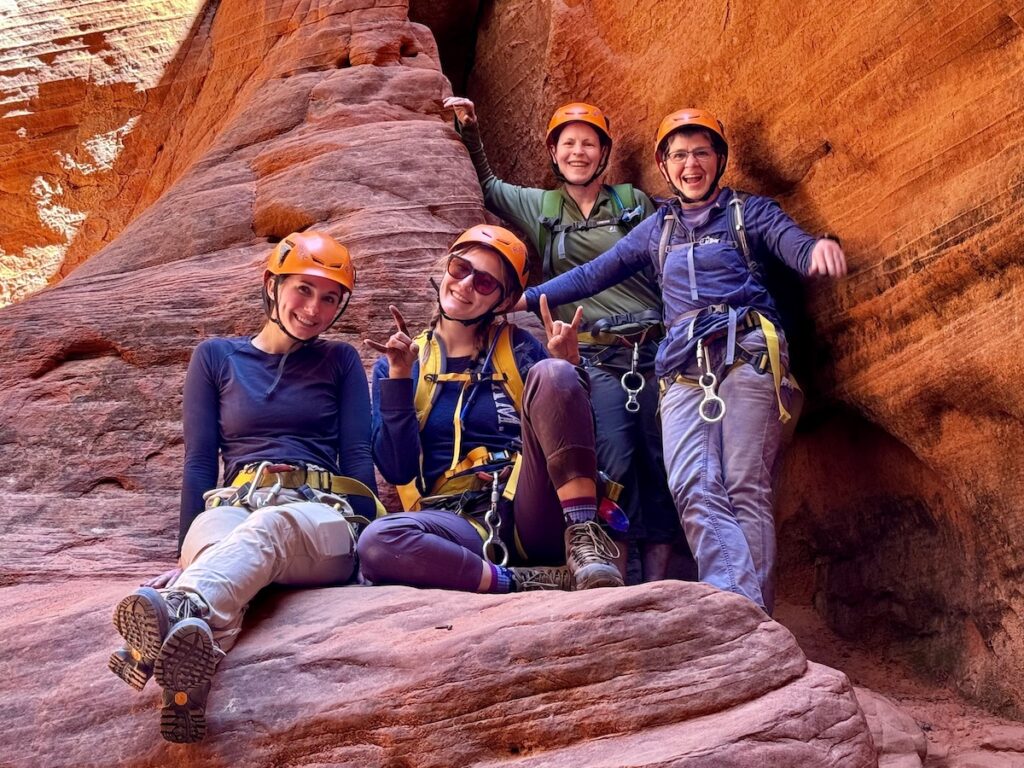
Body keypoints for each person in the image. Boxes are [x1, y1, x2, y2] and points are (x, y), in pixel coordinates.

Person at [513, 108, 848, 614]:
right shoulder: (657, 228)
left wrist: (819, 249)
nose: (691, 164)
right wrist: (522, 298)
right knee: (692, 486)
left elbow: (793, 245)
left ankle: (743, 614)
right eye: (679, 155)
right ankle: (737, 608)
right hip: (682, 369)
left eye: (701, 153)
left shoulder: (748, 213)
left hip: (746, 354)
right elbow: (592, 275)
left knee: (742, 486)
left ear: (719, 159)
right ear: (663, 166)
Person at [107, 231, 381, 743]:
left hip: (318, 515)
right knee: (218, 542)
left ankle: (175, 611)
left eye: (330, 298)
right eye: (303, 289)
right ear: (271, 285)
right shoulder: (215, 358)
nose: (314, 308)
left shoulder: (339, 360)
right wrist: (189, 552)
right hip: (233, 502)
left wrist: (369, 541)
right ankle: (187, 681)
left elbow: (359, 454)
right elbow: (197, 462)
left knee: (271, 525)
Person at [443, 96, 682, 582]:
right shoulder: (541, 206)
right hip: (593, 350)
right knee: (611, 462)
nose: (579, 152)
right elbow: (490, 187)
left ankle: (659, 583)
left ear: (604, 153)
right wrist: (468, 128)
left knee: (664, 462)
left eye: (589, 144)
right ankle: (615, 577)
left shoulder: (633, 203)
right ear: (553, 153)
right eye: (568, 143)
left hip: (655, 347)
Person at [356, 224, 624, 594]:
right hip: (457, 521)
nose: (465, 285)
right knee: (377, 541)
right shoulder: (401, 363)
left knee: (554, 372)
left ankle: (582, 538)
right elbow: (397, 468)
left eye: (484, 283)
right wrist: (399, 378)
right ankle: (521, 581)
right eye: (460, 269)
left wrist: (571, 371)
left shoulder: (518, 348)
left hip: (531, 507)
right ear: (446, 268)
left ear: (502, 300)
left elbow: (576, 439)